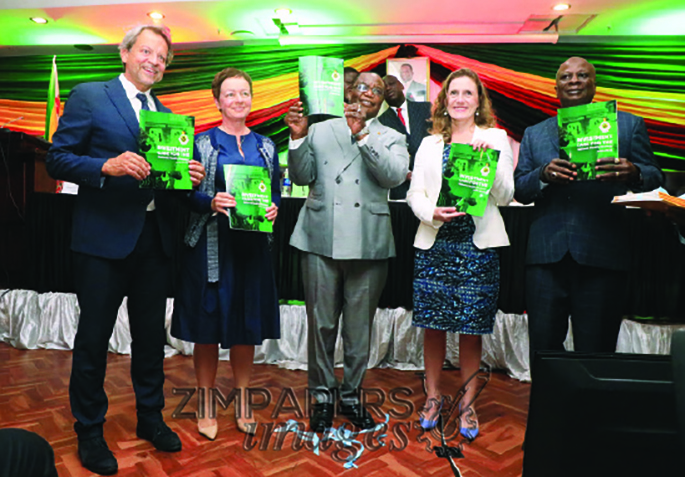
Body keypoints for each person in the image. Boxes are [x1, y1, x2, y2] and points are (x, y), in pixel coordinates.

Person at [45, 25, 205, 475]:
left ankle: (150, 418)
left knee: (151, 339)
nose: (154, 61)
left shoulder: (169, 115)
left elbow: (169, 186)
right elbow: (57, 157)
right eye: (147, 51)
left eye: (162, 57)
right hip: (101, 242)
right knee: (94, 339)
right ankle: (90, 431)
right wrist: (105, 166)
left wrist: (187, 178)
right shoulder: (91, 96)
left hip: (154, 242)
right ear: (125, 52)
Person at [514, 57, 663, 363]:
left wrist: (634, 172)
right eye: (566, 76)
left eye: (583, 75)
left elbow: (656, 178)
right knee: (543, 352)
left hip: (603, 256)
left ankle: (592, 412)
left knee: (596, 353)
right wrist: (542, 174)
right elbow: (520, 188)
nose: (574, 80)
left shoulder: (627, 124)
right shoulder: (535, 133)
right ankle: (548, 412)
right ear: (556, 87)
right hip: (546, 259)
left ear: (594, 84)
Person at [284, 72, 409, 432]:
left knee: (358, 331)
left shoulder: (392, 136)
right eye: (361, 87)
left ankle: (351, 396)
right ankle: (322, 398)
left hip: (368, 243)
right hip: (320, 239)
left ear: (383, 99)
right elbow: (302, 175)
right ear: (349, 91)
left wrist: (362, 135)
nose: (367, 93)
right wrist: (297, 138)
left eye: (376, 90)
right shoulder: (320, 129)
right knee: (321, 326)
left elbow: (393, 176)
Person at [171, 67, 281, 440]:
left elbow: (276, 193)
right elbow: (184, 193)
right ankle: (204, 402)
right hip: (211, 248)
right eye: (230, 94)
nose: (238, 100)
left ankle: (244, 400)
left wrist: (273, 208)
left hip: (252, 250)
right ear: (217, 101)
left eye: (244, 93)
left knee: (245, 328)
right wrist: (209, 200)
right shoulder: (200, 143)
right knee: (207, 326)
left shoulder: (266, 146)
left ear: (252, 99)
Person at [407, 68, 514, 440]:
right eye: (454, 93)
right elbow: (414, 194)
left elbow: (504, 195)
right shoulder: (429, 143)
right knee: (432, 326)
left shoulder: (495, 137)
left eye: (468, 93)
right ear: (445, 100)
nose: (460, 99)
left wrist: (494, 162)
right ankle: (433, 397)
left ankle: (468, 405)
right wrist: (429, 212)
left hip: (477, 247)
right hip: (435, 244)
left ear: (478, 100)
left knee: (472, 329)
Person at [378, 74, 432, 200]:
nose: (388, 89)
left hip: (430, 182)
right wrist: (405, 173)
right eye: (383, 88)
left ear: (401, 85)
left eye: (391, 84)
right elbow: (384, 157)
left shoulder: (426, 108)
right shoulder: (381, 122)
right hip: (401, 189)